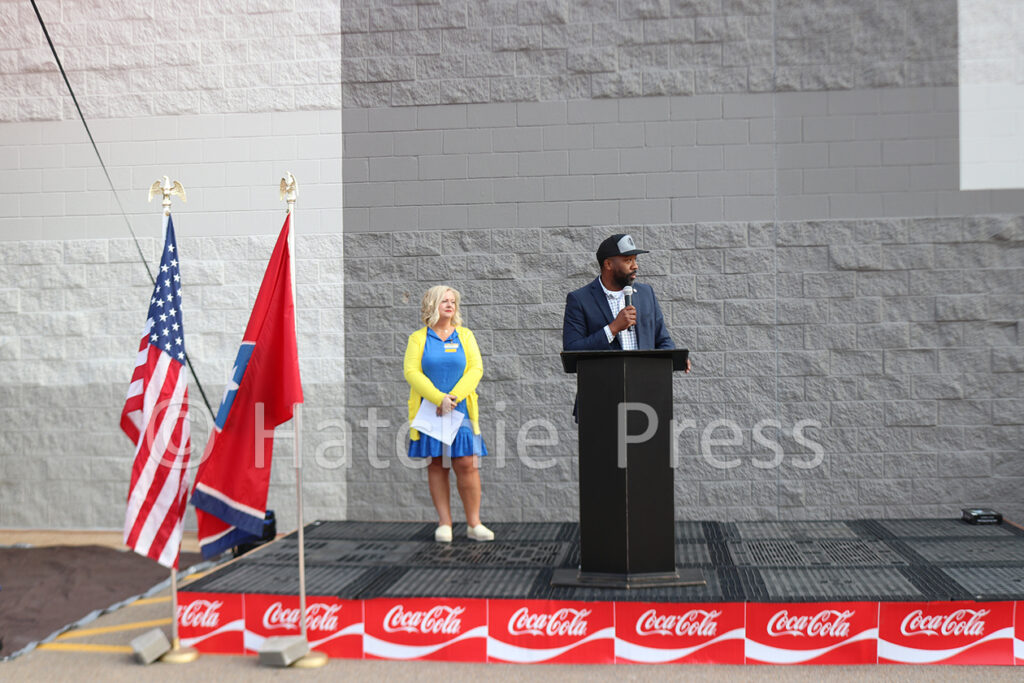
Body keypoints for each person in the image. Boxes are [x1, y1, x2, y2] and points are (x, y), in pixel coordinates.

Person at [404, 285, 494, 543]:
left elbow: (476, 369)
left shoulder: (465, 335)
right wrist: (438, 399)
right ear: (432, 305)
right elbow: (411, 372)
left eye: (453, 301)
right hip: (431, 410)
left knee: (467, 463)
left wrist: (453, 398)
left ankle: (474, 524)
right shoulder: (418, 338)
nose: (450, 305)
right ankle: (444, 523)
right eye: (444, 301)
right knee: (436, 463)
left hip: (460, 409)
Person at [563, 233, 686, 363]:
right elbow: (571, 350)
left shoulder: (646, 293)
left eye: (635, 259)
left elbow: (663, 340)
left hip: (645, 374)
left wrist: (674, 358)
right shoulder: (580, 299)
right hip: (604, 376)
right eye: (628, 260)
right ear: (608, 264)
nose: (635, 266)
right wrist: (613, 328)